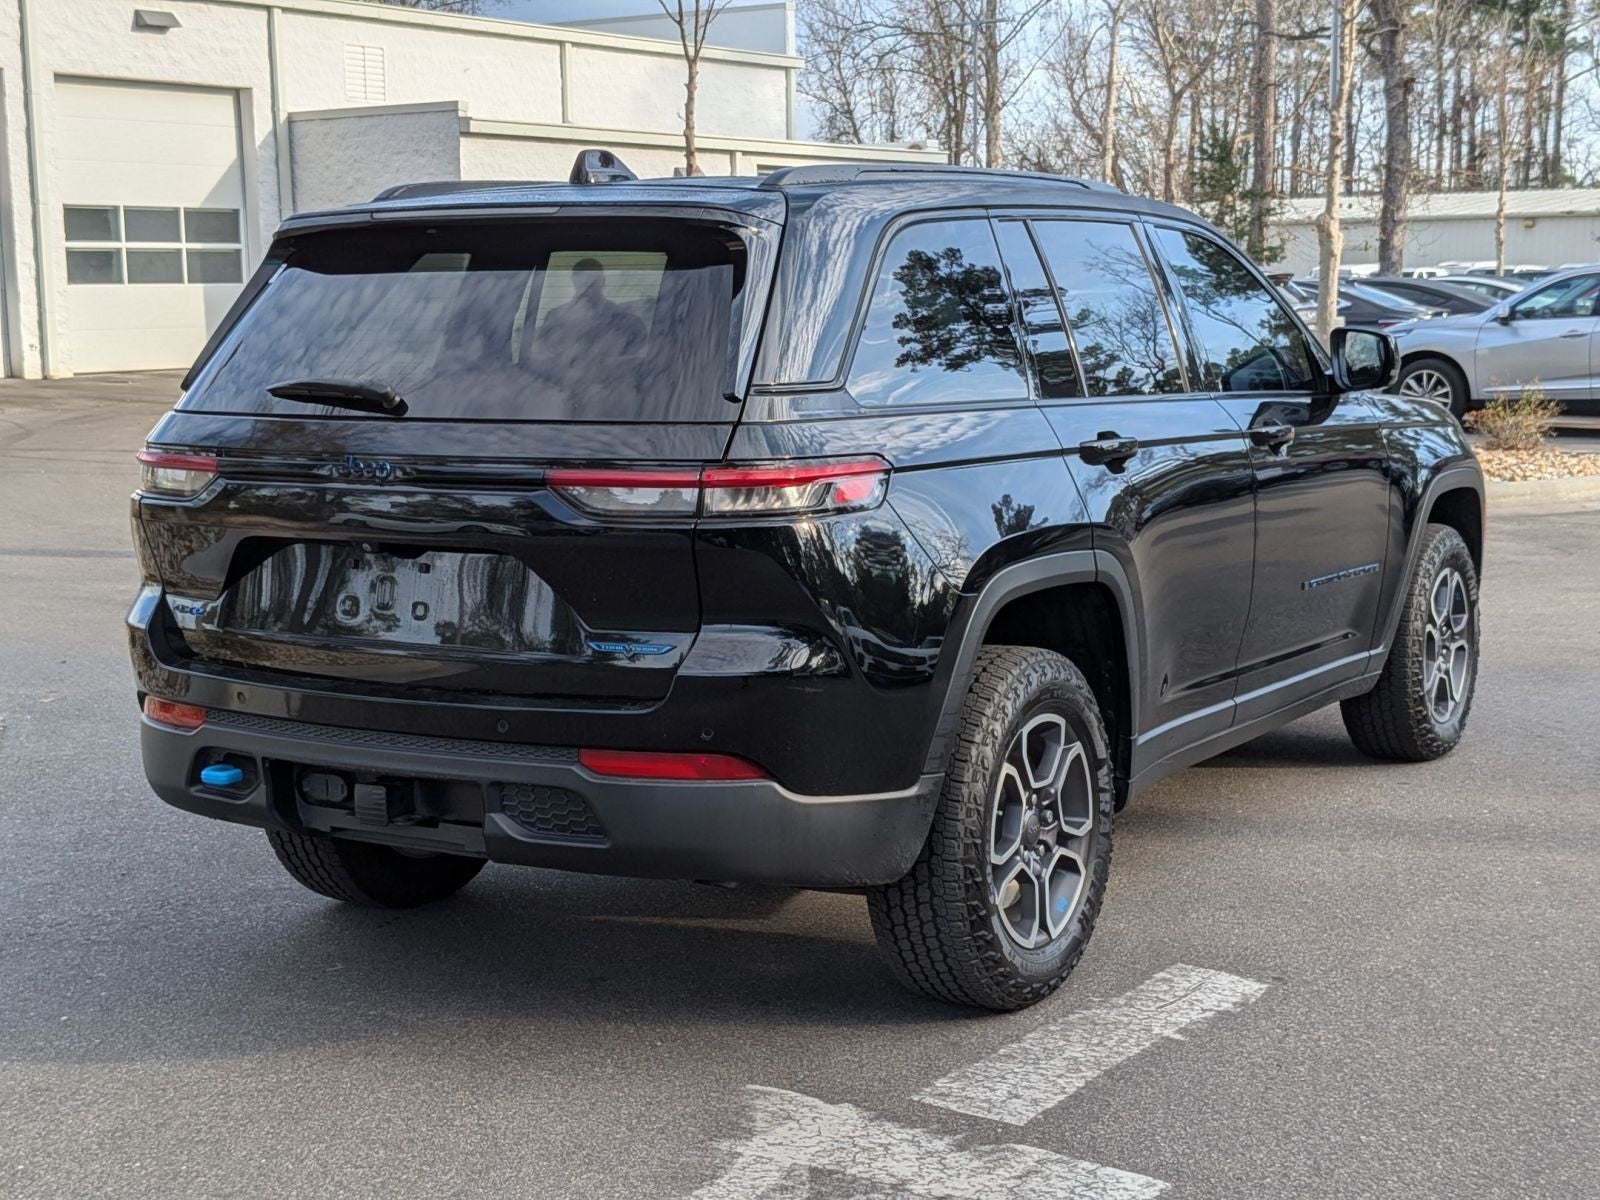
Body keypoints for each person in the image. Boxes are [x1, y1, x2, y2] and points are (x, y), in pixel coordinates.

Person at [539, 257, 647, 352]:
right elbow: (551, 348)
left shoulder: (627, 320)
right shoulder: (554, 319)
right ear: (574, 282)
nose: (587, 289)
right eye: (584, 284)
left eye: (592, 283)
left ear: (603, 281)